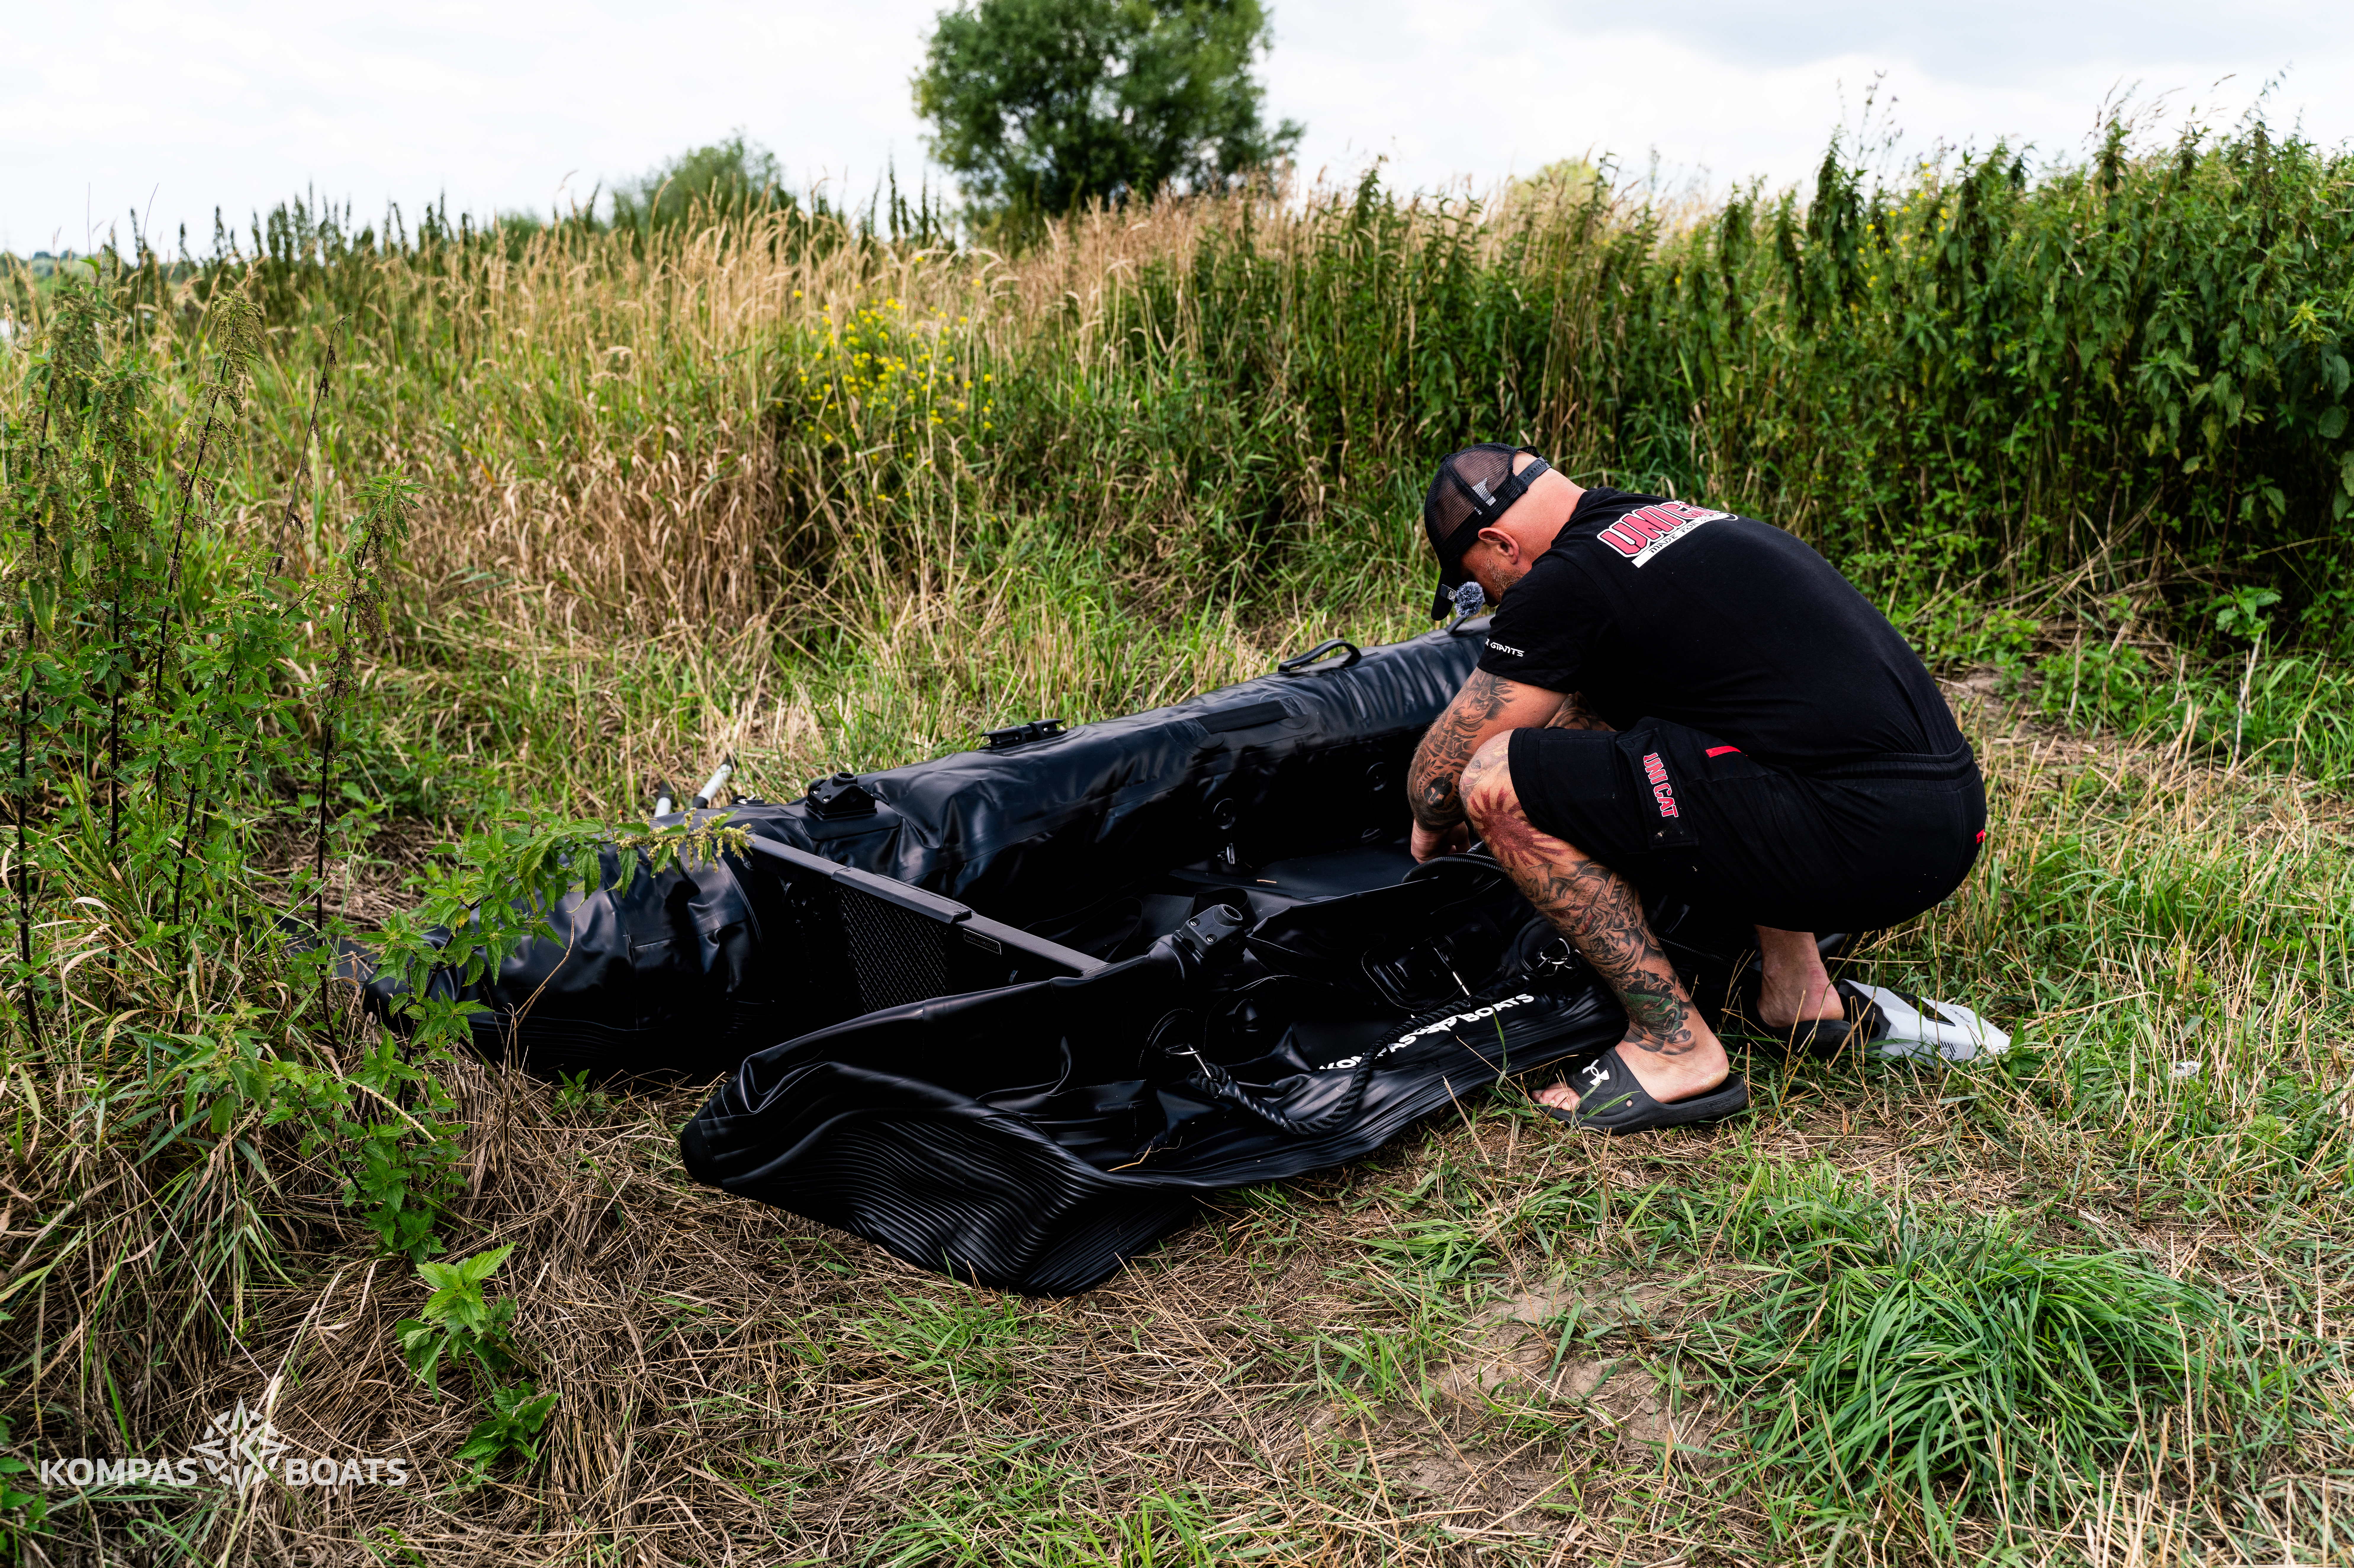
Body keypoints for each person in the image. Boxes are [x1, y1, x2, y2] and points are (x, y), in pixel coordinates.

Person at [1405, 444, 1984, 1133]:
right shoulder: (1661, 520)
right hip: (1938, 816)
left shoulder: (1565, 580)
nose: (1498, 602)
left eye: (1483, 585)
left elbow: (1442, 778)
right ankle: (1800, 996)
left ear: (1500, 543)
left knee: (1496, 781)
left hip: (1862, 836)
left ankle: (1674, 1049)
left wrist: (1430, 821)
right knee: (1707, 722)